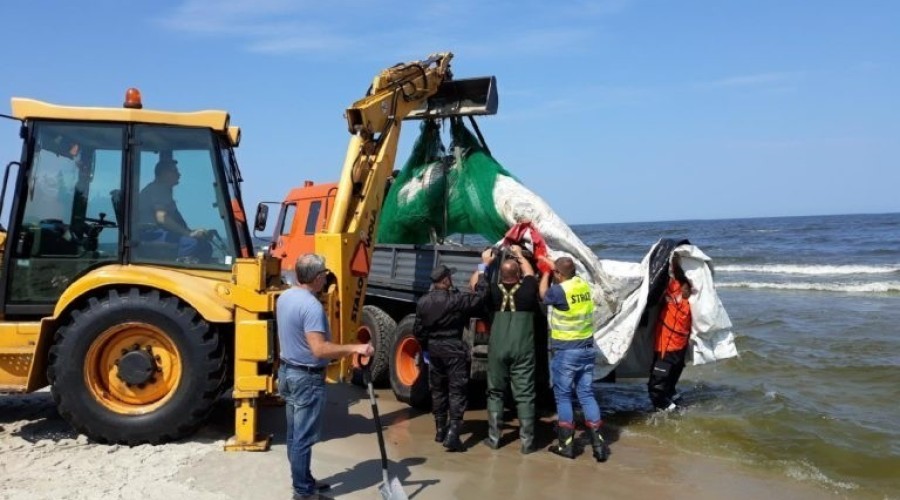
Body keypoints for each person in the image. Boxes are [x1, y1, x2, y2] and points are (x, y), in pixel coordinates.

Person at [276, 253, 374, 500]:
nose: (325, 279)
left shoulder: (285, 297)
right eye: (324, 275)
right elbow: (319, 349)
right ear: (318, 278)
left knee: (294, 434)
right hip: (306, 378)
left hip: (287, 372)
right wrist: (355, 348)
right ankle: (303, 492)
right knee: (303, 439)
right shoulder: (311, 306)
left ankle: (304, 480)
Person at [414, 250, 491, 452]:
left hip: (435, 351)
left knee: (438, 390)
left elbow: (418, 331)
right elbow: (482, 296)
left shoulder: (423, 302)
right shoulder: (456, 300)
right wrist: (483, 269)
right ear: (446, 280)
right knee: (457, 391)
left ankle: (440, 430)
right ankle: (453, 433)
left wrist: (425, 350)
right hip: (454, 350)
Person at [539, 256, 609, 462]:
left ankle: (566, 446)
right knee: (586, 394)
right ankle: (599, 445)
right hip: (587, 348)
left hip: (567, 351)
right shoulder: (583, 286)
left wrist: (545, 272)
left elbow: (544, 295)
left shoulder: (560, 291)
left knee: (563, 397)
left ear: (558, 274)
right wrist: (557, 271)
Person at [482, 244, 540, 454]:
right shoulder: (527, 289)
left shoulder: (493, 291)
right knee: (524, 393)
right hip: (522, 347)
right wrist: (518, 255)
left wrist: (485, 264)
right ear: (518, 275)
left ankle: (494, 438)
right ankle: (527, 442)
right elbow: (530, 273)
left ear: (501, 275)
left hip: (498, 346)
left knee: (495, 391)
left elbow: (474, 285)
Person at [138, 159, 213, 262]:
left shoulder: (162, 191)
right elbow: (162, 218)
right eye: (175, 171)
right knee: (191, 243)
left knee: (204, 245)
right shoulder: (157, 189)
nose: (179, 174)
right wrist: (188, 234)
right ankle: (180, 268)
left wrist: (192, 232)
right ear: (165, 174)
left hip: (157, 233)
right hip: (150, 234)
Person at [648, 277, 693, 411]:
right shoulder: (690, 302)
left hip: (667, 350)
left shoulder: (675, 296)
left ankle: (674, 415)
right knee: (669, 388)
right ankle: (676, 405)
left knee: (656, 391)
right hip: (679, 350)